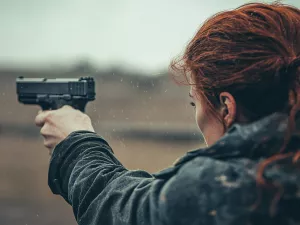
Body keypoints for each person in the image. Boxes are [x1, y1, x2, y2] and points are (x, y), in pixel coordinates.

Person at [35, 2, 300, 225]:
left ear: (227, 109)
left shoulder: (232, 189)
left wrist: (75, 143)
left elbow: (126, 211)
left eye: (194, 103)